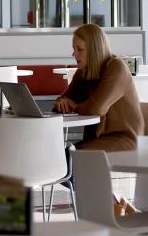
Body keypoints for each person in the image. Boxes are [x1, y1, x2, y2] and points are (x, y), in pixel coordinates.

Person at [53, 23, 142, 151]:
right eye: (74, 49)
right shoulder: (83, 72)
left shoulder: (116, 67)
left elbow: (97, 108)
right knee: (61, 155)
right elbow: (64, 98)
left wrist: (73, 105)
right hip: (96, 139)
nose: (74, 54)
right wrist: (61, 103)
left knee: (67, 156)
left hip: (123, 139)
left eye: (80, 49)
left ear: (94, 49)